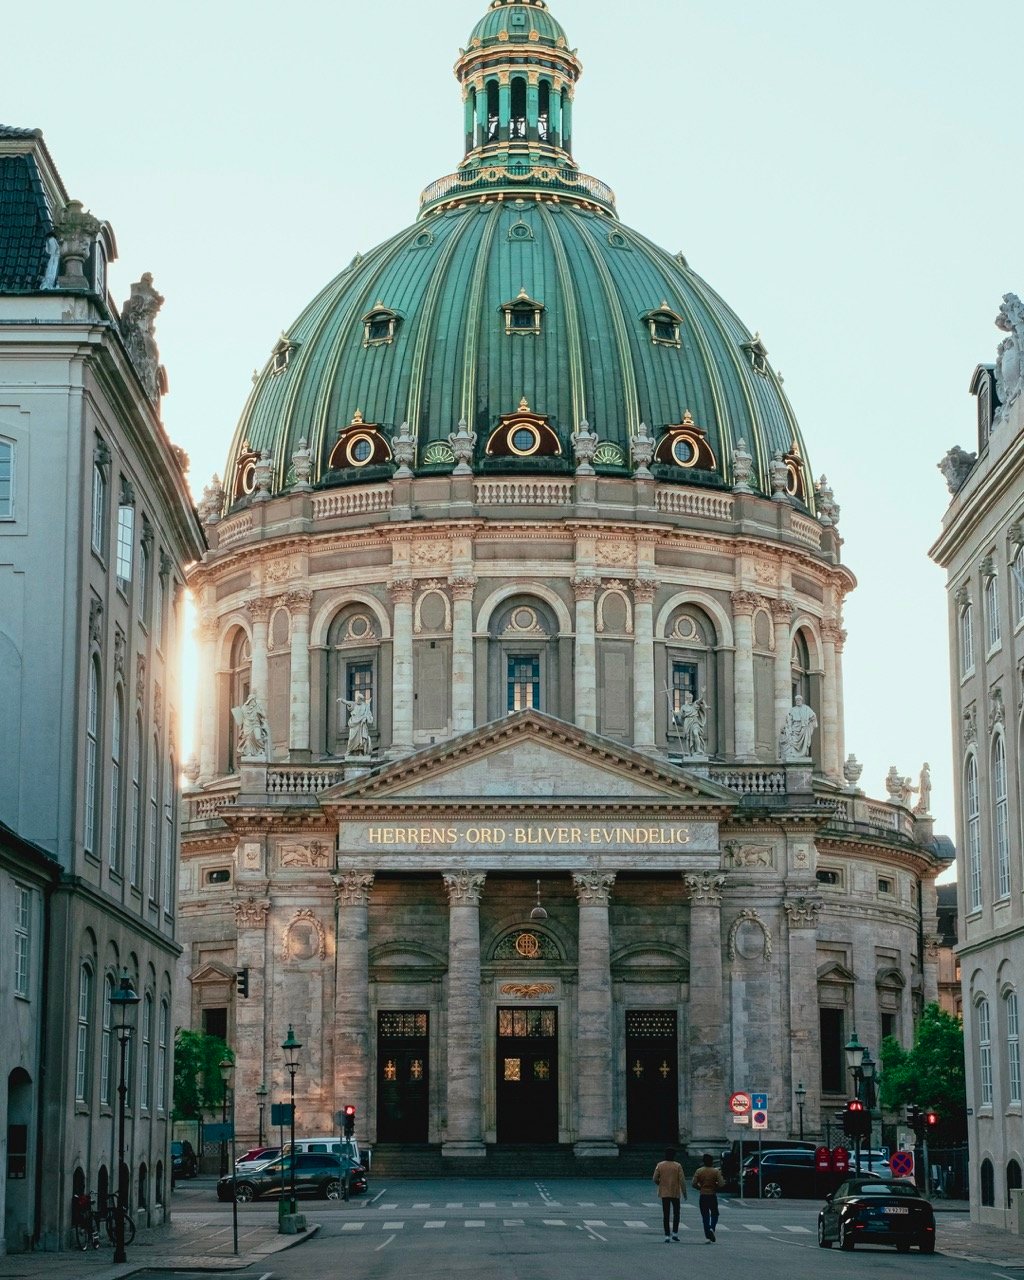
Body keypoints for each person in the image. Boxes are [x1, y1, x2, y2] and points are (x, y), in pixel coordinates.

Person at [653, 1146, 686, 1242]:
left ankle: (667, 1235)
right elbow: (682, 1180)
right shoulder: (677, 1166)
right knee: (676, 1213)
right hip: (675, 1192)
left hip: (664, 1192)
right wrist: (684, 1193)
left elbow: (655, 1178)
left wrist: (661, 1184)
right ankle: (675, 1233)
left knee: (666, 1214)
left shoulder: (660, 1165)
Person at [692, 1152, 725, 1242]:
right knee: (714, 1213)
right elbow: (721, 1183)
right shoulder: (716, 1171)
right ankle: (712, 1228)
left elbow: (694, 1183)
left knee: (705, 1215)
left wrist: (700, 1187)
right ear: (712, 1161)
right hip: (712, 1194)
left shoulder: (699, 1171)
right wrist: (715, 1187)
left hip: (703, 1194)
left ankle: (707, 1232)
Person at [339, 690, 374, 756]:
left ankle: (360, 752)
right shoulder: (354, 704)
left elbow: (369, 715)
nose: (356, 700)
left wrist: (365, 718)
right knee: (351, 738)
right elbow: (347, 702)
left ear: (361, 700)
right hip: (353, 724)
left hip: (361, 724)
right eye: (356, 699)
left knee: (361, 740)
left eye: (358, 699)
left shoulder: (365, 706)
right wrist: (342, 700)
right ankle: (349, 750)